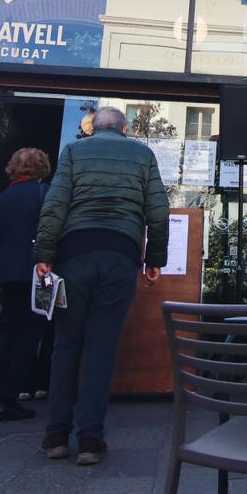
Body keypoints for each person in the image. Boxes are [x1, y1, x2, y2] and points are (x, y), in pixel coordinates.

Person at [34, 107, 168, 465]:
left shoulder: (75, 151)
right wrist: (154, 259)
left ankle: (57, 435)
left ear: (94, 127)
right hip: (120, 255)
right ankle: (91, 439)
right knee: (101, 347)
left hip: (74, 254)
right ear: (124, 128)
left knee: (66, 345)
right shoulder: (143, 154)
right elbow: (157, 209)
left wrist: (45, 253)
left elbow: (55, 203)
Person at [0, 148, 53, 422]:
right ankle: (15, 394)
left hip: (6, 272)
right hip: (37, 272)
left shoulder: (2, 198)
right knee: (31, 333)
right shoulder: (43, 194)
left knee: (11, 333)